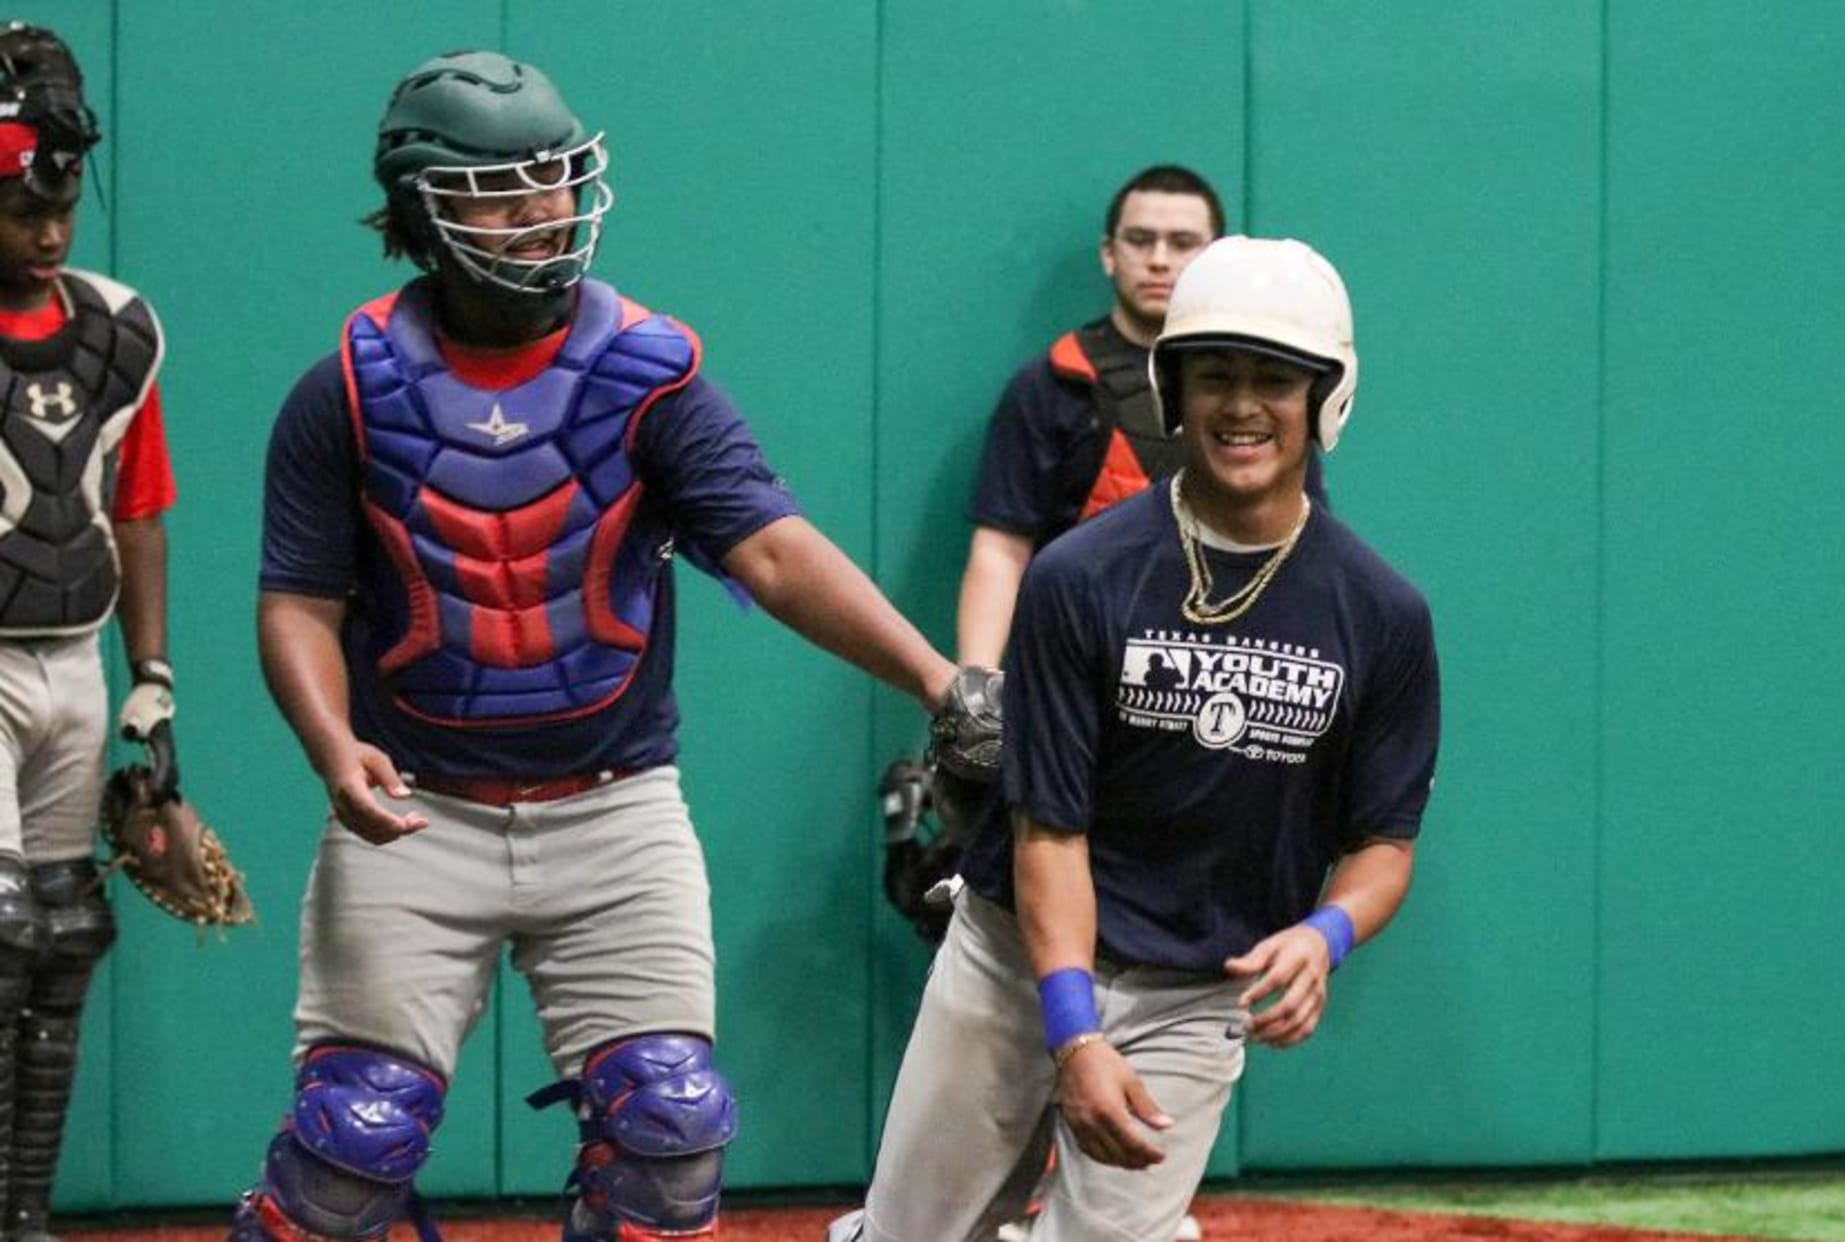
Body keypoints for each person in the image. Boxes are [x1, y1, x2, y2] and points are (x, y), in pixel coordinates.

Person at [232, 51, 977, 1242]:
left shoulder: (646, 374)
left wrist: (943, 683)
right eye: (507, 189)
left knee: (669, 1132)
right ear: (428, 207)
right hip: (413, 807)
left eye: (559, 180)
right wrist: (332, 748)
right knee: (348, 1147)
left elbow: (774, 551)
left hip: (614, 806)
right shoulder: (349, 391)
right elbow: (296, 605)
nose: (547, 212)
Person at [835, 236, 1442, 1242]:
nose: (1242, 405)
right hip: (1014, 959)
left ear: (1325, 396)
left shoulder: (1381, 614)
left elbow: (1383, 845)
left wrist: (1323, 934)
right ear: (1173, 392)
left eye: (1272, 379)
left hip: (1197, 990)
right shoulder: (1082, 577)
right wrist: (1071, 1030)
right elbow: (1048, 835)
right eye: (1214, 376)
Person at [0, 24, 177, 1242]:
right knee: (2, 931)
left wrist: (152, 682)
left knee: (66, 934)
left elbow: (140, 509)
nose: (49, 226)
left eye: (60, 197)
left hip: (77, 652)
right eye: (22, 201)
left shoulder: (118, 330)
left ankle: (24, 1216)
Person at [953, 164, 1326, 670]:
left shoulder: (1274, 397)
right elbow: (1001, 548)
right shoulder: (1055, 382)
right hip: (1081, 663)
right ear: (1110, 254)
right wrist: (977, 691)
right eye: (1140, 240)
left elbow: (1303, 542)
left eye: (1181, 242)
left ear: (1214, 256)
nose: (1158, 260)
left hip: (1230, 667)